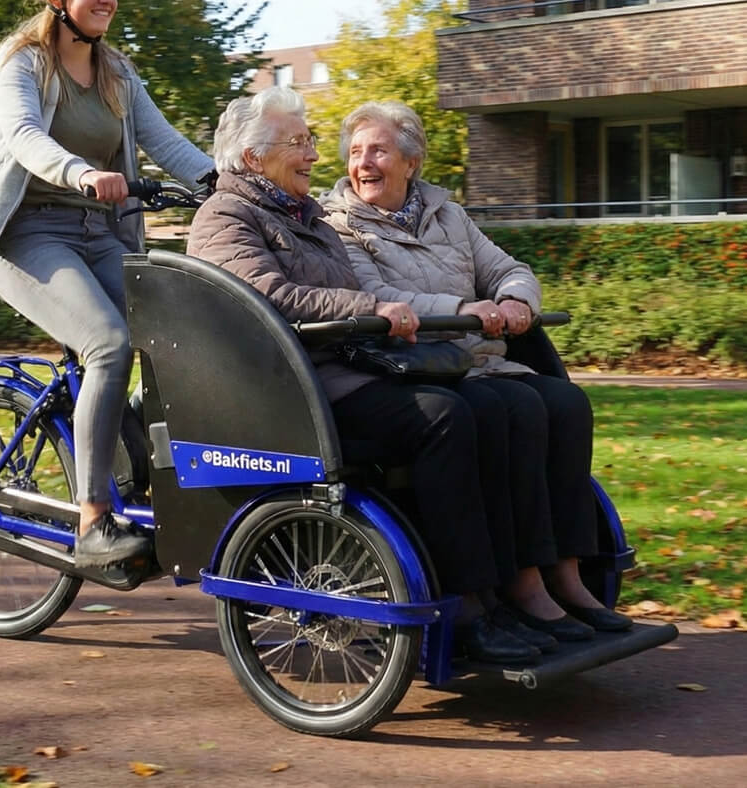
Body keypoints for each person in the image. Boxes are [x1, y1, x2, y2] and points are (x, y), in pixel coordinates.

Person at [188, 85, 563, 665]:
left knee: (488, 406)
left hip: (344, 369)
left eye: (311, 141)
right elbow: (267, 295)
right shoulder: (226, 216)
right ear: (253, 157)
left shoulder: (302, 215)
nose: (315, 155)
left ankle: (505, 588)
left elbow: (350, 290)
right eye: (300, 142)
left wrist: (379, 312)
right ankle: (464, 605)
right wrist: (367, 311)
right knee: (445, 419)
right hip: (296, 391)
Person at [321, 100, 632, 637]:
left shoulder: (449, 215)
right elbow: (373, 294)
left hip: (479, 363)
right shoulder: (340, 225)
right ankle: (521, 577)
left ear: (411, 162)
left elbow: (508, 268)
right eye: (355, 152)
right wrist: (462, 310)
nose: (363, 163)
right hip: (417, 367)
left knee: (566, 402)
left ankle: (568, 569)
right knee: (510, 409)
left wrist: (516, 301)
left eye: (378, 150)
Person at [0, 0, 215, 568]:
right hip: (26, 236)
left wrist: (228, 187)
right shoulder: (22, 62)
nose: (107, 0)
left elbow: (168, 143)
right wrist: (80, 172)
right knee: (108, 343)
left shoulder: (117, 73)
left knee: (177, 336)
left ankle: (138, 471)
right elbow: (21, 135)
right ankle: (93, 521)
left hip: (100, 234)